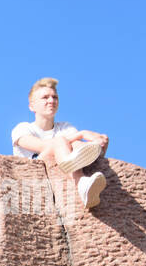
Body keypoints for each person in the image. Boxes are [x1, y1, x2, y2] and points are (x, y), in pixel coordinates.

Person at [11, 76, 109, 210]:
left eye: (54, 97)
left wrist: (98, 143)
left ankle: (85, 181)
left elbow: (79, 148)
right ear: (32, 106)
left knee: (77, 145)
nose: (51, 101)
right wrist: (82, 133)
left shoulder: (65, 127)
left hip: (58, 172)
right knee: (62, 142)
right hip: (35, 175)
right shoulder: (22, 128)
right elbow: (44, 146)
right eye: (45, 97)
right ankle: (81, 183)